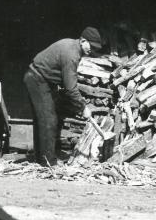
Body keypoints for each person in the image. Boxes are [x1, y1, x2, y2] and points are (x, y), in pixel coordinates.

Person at [23, 26, 104, 166]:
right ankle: (48, 163)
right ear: (83, 40)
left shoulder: (72, 46)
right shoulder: (72, 55)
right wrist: (82, 107)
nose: (93, 50)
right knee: (49, 120)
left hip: (40, 79)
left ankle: (40, 159)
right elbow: (70, 88)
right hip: (37, 79)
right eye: (92, 46)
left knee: (43, 120)